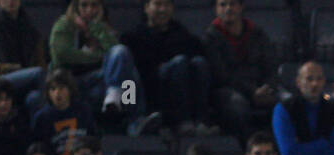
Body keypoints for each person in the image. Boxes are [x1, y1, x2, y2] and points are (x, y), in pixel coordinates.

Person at [49, 0, 161, 135]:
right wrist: (98, 56)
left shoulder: (103, 28)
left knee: (127, 69)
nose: (89, 10)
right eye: (84, 5)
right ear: (76, 7)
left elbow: (117, 53)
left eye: (94, 5)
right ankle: (134, 118)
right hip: (73, 85)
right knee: (130, 76)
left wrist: (98, 29)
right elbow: (63, 55)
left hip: (104, 86)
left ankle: (127, 112)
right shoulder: (64, 25)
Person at [122, 0, 215, 135]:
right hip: (150, 89)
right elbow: (130, 78)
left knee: (199, 63)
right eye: (158, 5)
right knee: (179, 62)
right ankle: (182, 122)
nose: (162, 10)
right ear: (147, 8)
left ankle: (201, 121)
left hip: (184, 86)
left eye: (167, 5)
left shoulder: (183, 35)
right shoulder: (132, 37)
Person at [203, 0, 279, 140]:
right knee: (237, 106)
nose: (228, 8)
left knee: (289, 102)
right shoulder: (210, 37)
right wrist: (252, 92)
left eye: (233, 4)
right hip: (229, 90)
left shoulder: (257, 33)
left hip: (261, 88)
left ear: (241, 7)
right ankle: (248, 150)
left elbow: (271, 65)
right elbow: (222, 75)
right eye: (223, 4)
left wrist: (268, 87)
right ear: (216, 9)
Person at [272, 61, 334, 155]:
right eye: (309, 79)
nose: (315, 84)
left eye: (319, 79)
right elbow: (288, 152)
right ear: (298, 82)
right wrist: (322, 143)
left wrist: (302, 146)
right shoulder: (284, 109)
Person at [0, 0, 48, 116]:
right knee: (38, 73)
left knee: (35, 98)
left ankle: (40, 129)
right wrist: (13, 69)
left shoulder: (32, 31)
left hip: (25, 81)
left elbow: (41, 63)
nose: (11, 1)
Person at [29, 69, 97, 155]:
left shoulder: (83, 110)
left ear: (70, 90)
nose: (57, 93)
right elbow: (39, 150)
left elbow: (93, 138)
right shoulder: (42, 117)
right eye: (53, 89)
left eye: (61, 88)